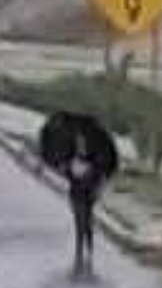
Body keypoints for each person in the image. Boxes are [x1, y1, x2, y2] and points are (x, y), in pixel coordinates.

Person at [38, 110, 120, 278]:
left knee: (84, 211)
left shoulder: (93, 133)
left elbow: (108, 157)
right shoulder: (58, 132)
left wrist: (100, 176)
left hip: (92, 176)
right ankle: (83, 246)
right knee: (81, 211)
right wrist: (64, 166)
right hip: (78, 178)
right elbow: (49, 153)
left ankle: (84, 246)